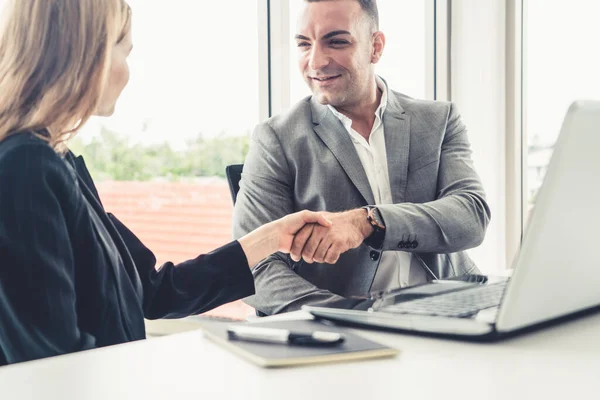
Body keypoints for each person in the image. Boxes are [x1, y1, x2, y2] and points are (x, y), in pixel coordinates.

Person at [0, 0, 332, 366]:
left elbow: (152, 290)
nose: (127, 72)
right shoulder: (25, 168)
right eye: (123, 51)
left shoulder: (58, 162)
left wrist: (269, 239)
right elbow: (51, 365)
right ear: (84, 53)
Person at [233, 0, 491, 315]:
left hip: (451, 312)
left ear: (375, 47)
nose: (316, 61)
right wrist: (350, 317)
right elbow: (255, 267)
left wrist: (368, 221)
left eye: (337, 42)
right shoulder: (276, 139)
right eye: (304, 44)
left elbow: (471, 217)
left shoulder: (438, 120)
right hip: (347, 332)